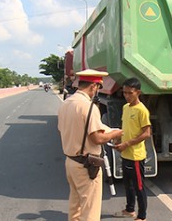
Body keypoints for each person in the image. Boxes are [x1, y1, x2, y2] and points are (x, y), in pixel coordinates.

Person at [58, 69, 123, 221]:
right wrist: (116, 133)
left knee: (75, 206)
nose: (97, 91)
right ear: (93, 86)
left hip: (71, 162)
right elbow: (97, 138)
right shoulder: (88, 107)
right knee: (90, 211)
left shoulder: (66, 103)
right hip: (86, 165)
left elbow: (66, 129)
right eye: (98, 87)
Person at [114, 77, 151, 221]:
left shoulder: (142, 110)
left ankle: (142, 217)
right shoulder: (125, 107)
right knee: (127, 185)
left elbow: (147, 133)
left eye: (130, 93)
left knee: (139, 187)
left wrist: (127, 144)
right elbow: (125, 128)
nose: (127, 96)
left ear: (138, 92)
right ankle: (130, 209)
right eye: (124, 93)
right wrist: (118, 139)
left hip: (136, 156)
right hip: (125, 154)